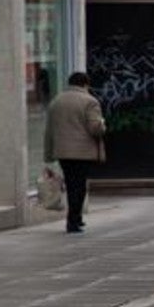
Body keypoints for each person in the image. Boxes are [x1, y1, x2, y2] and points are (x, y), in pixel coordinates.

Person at [44, 72, 106, 234]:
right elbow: (95, 128)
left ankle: (75, 218)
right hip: (82, 152)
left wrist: (49, 152)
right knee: (79, 186)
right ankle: (73, 221)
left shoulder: (56, 101)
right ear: (85, 84)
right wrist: (102, 124)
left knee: (71, 184)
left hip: (63, 152)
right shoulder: (90, 101)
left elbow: (49, 129)